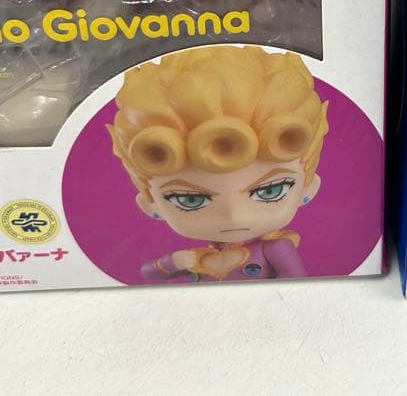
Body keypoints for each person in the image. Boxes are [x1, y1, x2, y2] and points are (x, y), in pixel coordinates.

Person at [108, 44, 328, 281]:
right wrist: (174, 262)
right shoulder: (196, 257)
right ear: (151, 206)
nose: (233, 216)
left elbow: (295, 284)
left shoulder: (275, 249)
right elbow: (149, 274)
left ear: (307, 189)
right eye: (190, 200)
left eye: (271, 191)